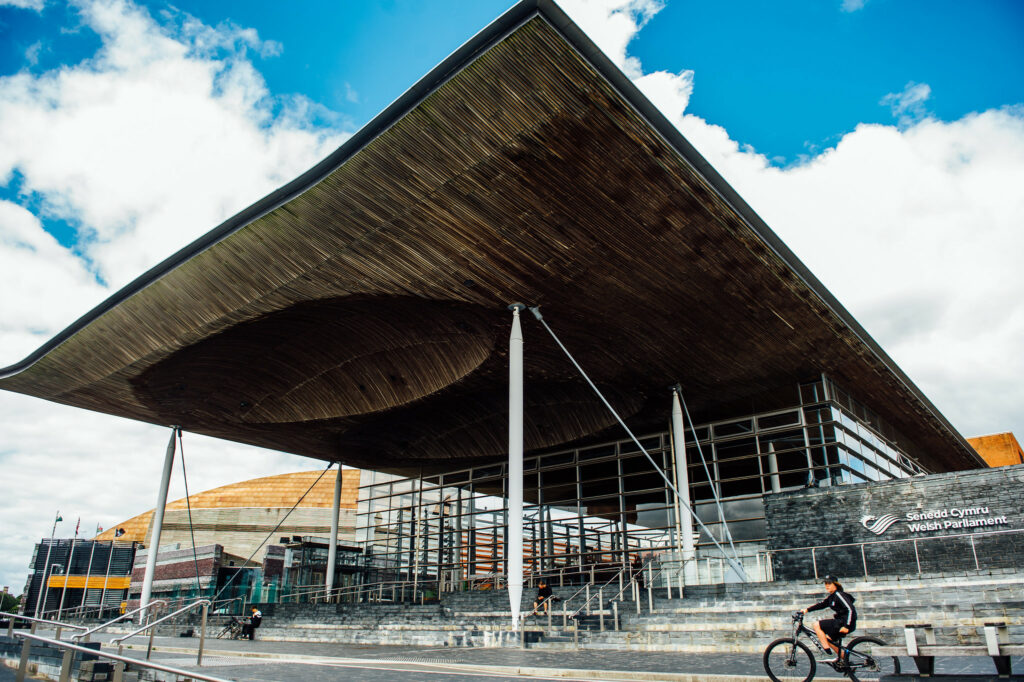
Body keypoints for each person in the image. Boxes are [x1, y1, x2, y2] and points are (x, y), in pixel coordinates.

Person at [802, 575, 856, 666]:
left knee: (816, 624)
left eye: (829, 583)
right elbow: (822, 604)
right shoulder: (832, 596)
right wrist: (806, 610)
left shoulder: (839, 595)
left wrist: (846, 626)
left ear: (836, 584)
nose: (827, 586)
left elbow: (850, 609)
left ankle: (827, 653)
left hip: (844, 623)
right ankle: (847, 662)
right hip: (840, 622)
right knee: (828, 639)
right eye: (826, 584)